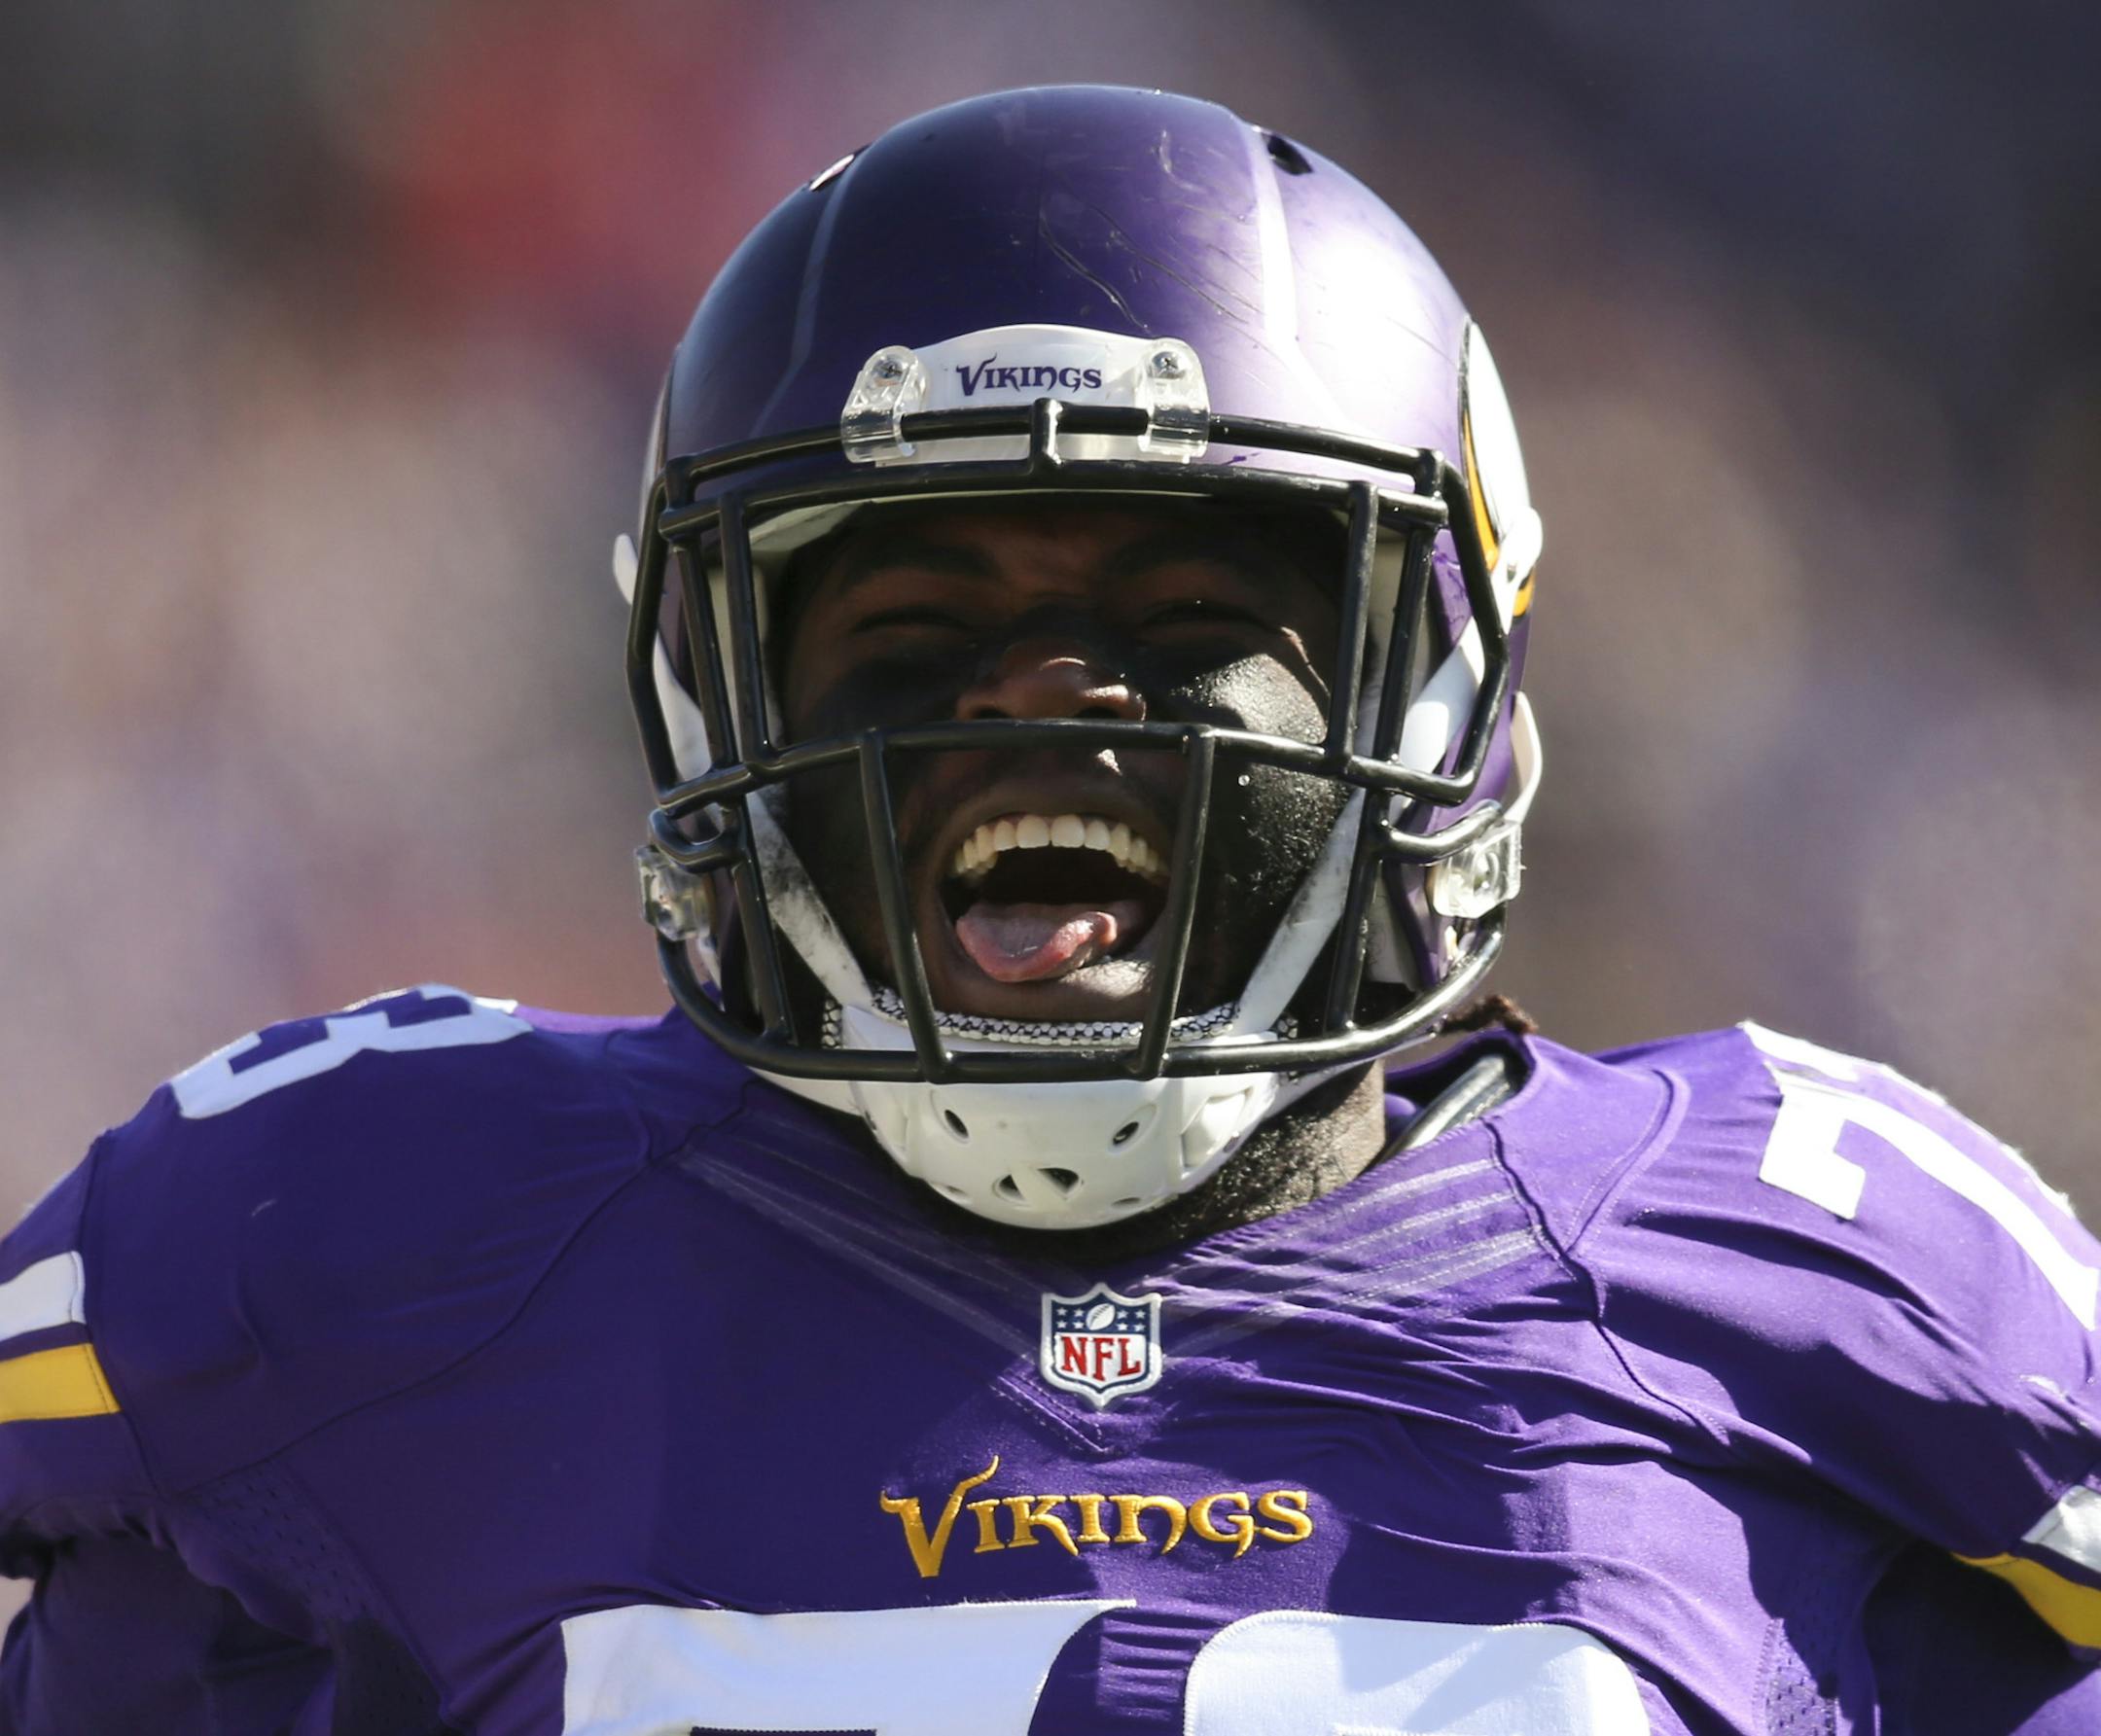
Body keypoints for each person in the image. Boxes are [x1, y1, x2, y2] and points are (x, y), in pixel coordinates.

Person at [0, 84, 2093, 1736]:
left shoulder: (1822, 1270)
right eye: (912, 624)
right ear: (718, 687)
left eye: (1189, 618)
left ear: (1439, 679)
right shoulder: (367, 1231)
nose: (1046, 701)